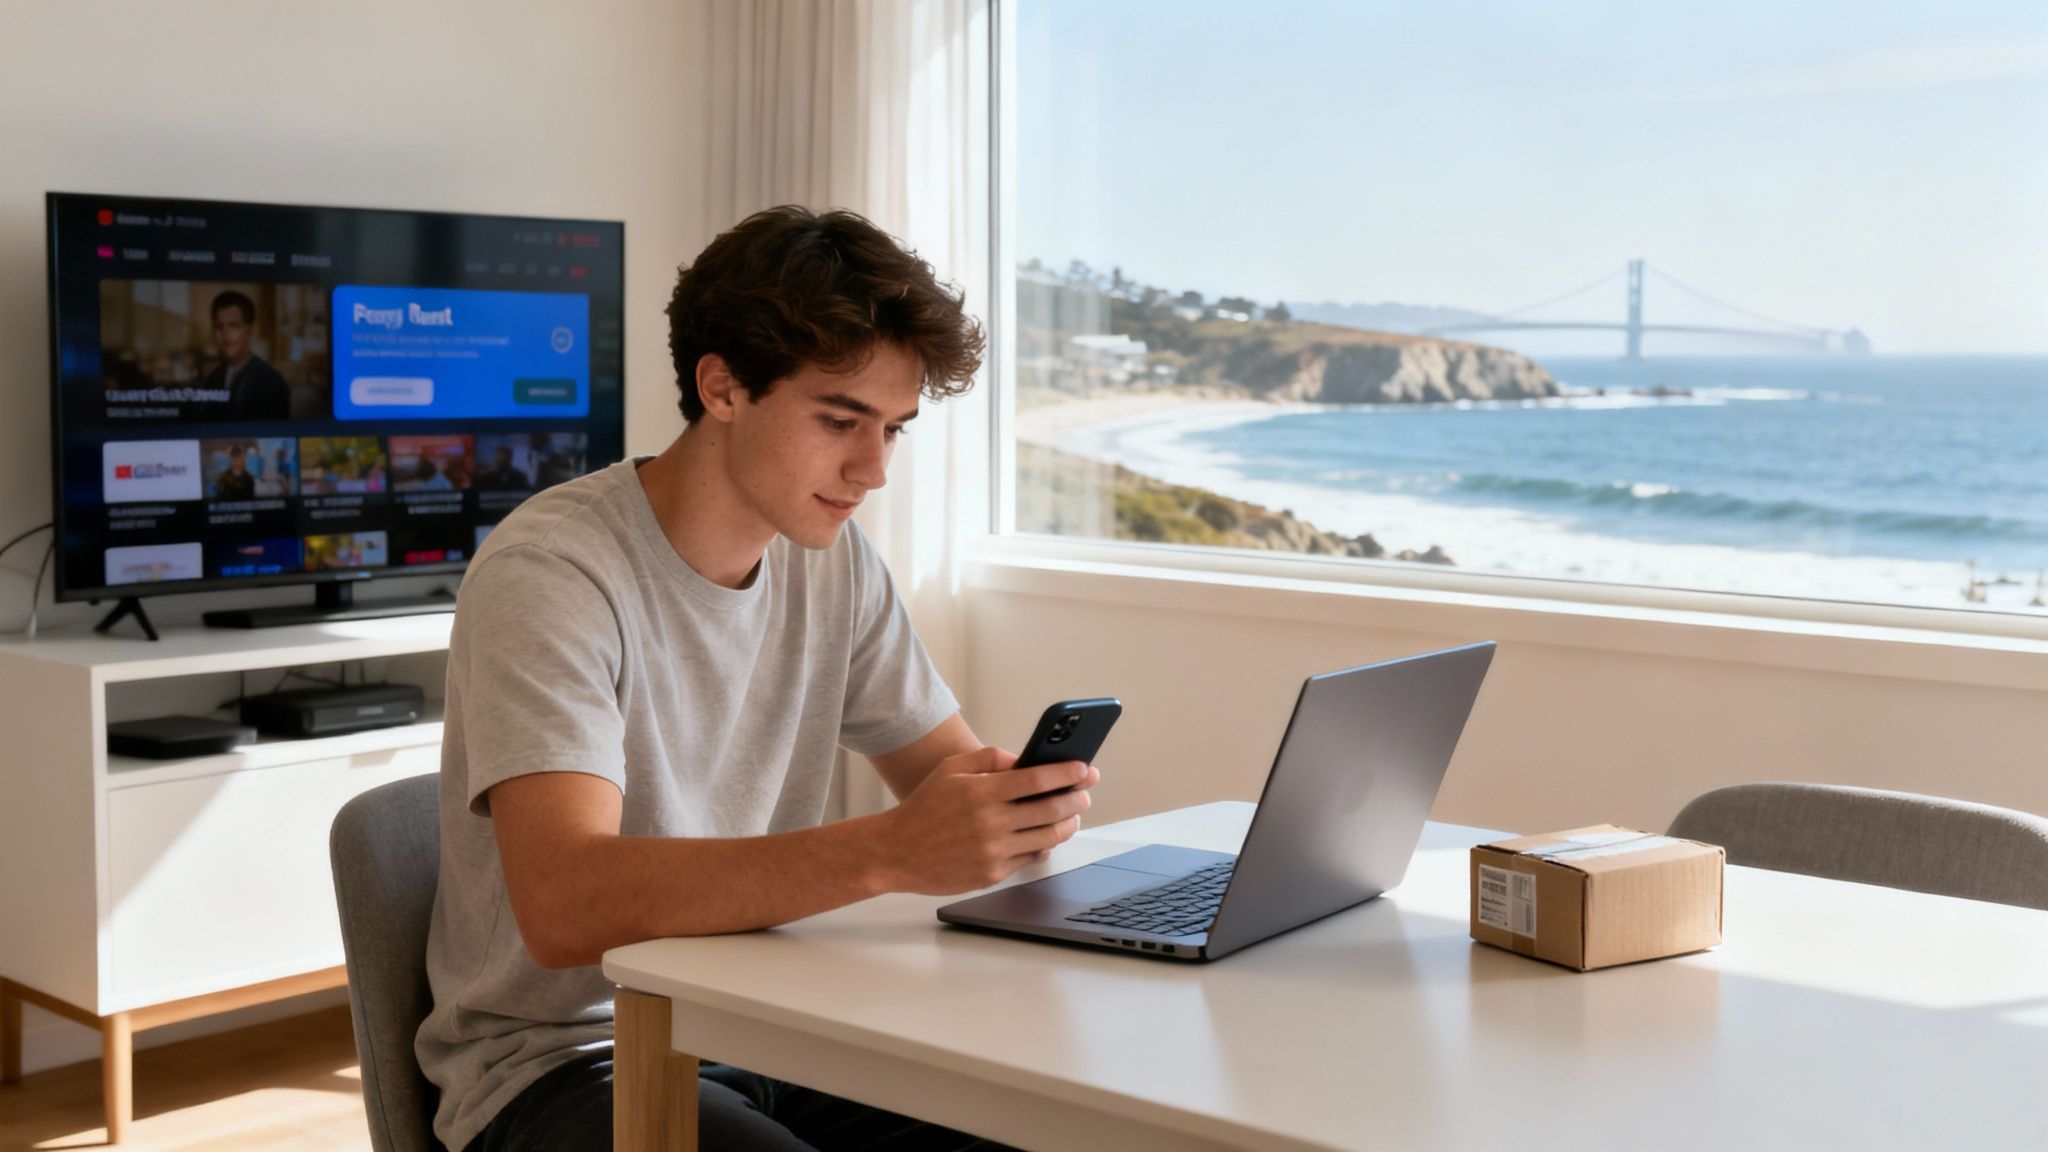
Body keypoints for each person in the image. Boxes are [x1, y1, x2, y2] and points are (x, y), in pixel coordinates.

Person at [418, 206, 1097, 1152]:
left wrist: (1009, 812)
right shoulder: (553, 573)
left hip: (772, 1024)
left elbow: (947, 778)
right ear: (723, 387)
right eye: (839, 420)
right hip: (566, 1063)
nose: (873, 470)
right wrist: (895, 851)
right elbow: (566, 904)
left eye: (894, 430)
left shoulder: (832, 559)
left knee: (1051, 1128)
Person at [200, 290, 291, 420]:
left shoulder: (273, 383)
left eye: (234, 326)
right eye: (219, 326)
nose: (225, 334)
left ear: (250, 330)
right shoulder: (211, 381)